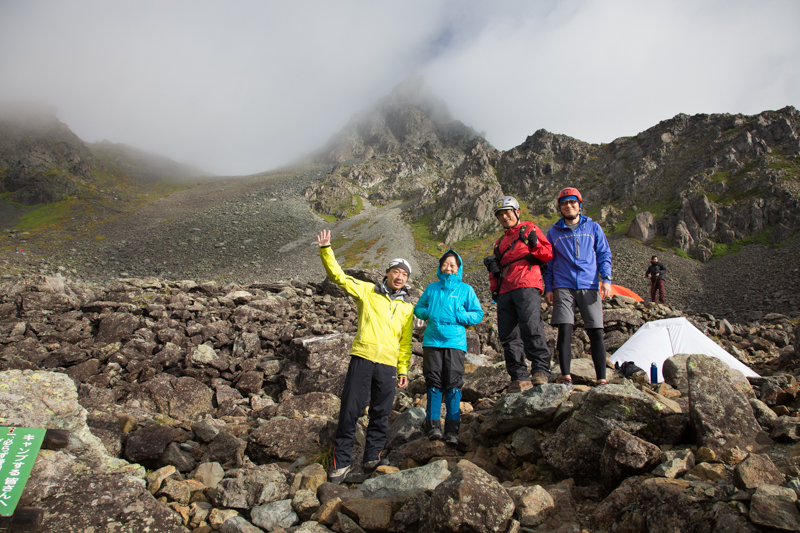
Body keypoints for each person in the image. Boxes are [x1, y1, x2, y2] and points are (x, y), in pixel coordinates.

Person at [316, 229, 413, 483]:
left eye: (404, 274)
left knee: (381, 412)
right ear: (387, 273)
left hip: (388, 365)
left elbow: (405, 343)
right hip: (363, 357)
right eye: (396, 271)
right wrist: (326, 250)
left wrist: (403, 369)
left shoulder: (406, 308)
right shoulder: (368, 291)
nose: (400, 277)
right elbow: (339, 277)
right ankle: (342, 462)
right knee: (350, 409)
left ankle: (372, 457)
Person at [544, 187, 613, 389]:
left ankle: (601, 379)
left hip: (589, 284)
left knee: (596, 332)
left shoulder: (593, 228)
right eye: (564, 203)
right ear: (560, 207)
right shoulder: (553, 232)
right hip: (563, 286)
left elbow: (603, 254)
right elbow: (548, 264)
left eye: (572, 202)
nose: (569, 206)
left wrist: (606, 279)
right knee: (564, 330)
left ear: (579, 204)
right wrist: (549, 288)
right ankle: (565, 376)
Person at [414, 250, 483, 445]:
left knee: (453, 384)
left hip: (455, 342)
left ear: (459, 268)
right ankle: (433, 426)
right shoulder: (432, 288)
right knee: (433, 383)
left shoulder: (466, 289)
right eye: (446, 264)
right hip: (432, 341)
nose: (449, 268)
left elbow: (477, 313)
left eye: (453, 265)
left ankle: (452, 429)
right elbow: (418, 308)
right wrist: (428, 312)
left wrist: (461, 316)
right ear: (440, 266)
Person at [485, 196, 553, 392]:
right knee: (508, 334)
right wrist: (494, 288)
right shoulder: (499, 243)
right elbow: (495, 271)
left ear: (517, 212)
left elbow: (547, 254)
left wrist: (534, 245)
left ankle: (540, 369)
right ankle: (518, 376)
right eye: (500, 215)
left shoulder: (529, 229)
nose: (505, 217)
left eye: (507, 212)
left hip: (527, 282)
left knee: (531, 325)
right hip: (506, 288)